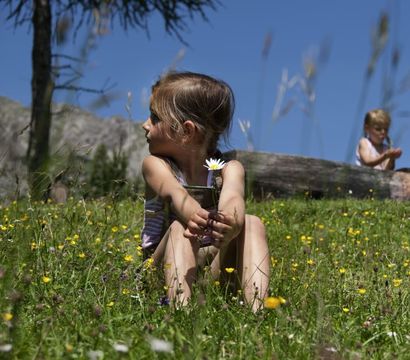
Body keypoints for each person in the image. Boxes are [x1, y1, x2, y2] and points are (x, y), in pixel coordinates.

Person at [140, 71, 270, 312]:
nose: (145, 124)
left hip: (212, 270)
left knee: (252, 223)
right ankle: (180, 312)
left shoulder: (229, 169)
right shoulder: (155, 165)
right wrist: (190, 210)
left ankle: (258, 311)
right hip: (161, 271)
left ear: (186, 131)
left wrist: (232, 221)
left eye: (154, 118)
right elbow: (171, 191)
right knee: (181, 227)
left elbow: (232, 196)